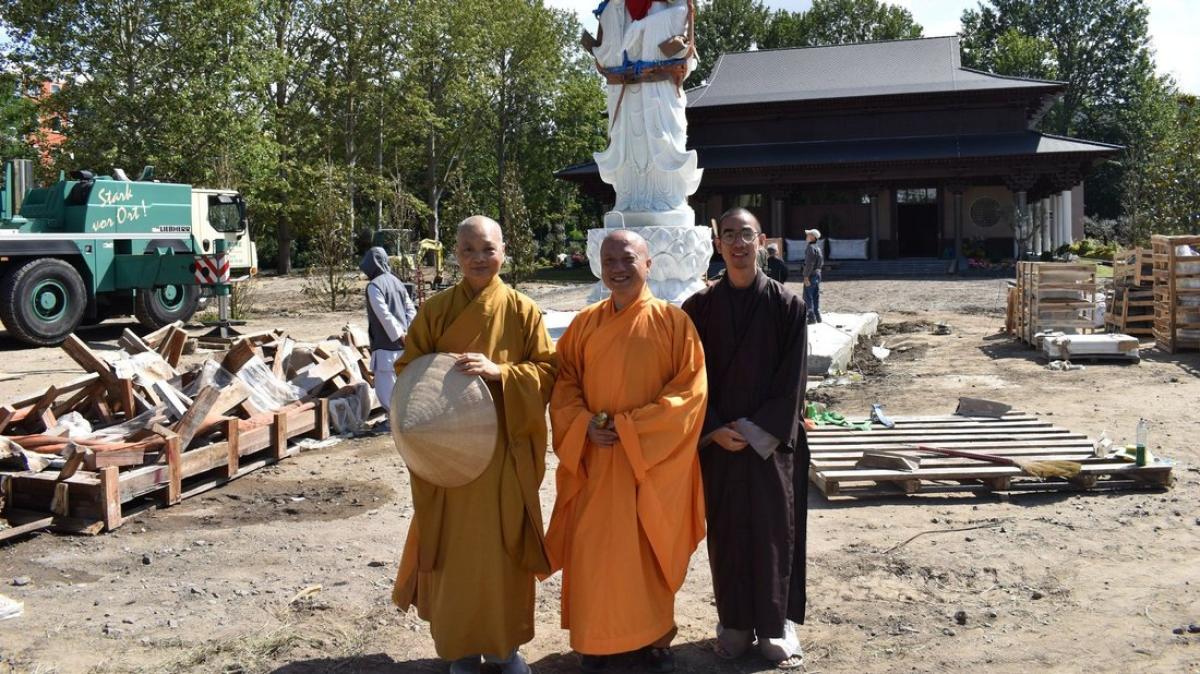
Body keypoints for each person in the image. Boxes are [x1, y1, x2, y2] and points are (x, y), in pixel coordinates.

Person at [391, 216, 557, 674]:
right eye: (468, 250)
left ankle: (505, 650)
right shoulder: (437, 310)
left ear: (504, 251)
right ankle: (461, 650)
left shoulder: (523, 310)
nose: (478, 259)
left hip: (503, 454)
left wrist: (501, 373)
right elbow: (408, 370)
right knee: (454, 556)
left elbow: (547, 373)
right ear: (455, 254)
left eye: (487, 249)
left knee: (503, 553)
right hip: (447, 463)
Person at [545, 229, 707, 673]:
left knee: (649, 549)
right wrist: (582, 427)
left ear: (648, 264)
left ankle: (653, 639)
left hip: (648, 466)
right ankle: (596, 642)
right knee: (596, 554)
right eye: (609, 260)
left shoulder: (675, 324)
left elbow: (689, 394)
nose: (617, 268)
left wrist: (633, 430)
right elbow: (565, 386)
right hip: (597, 461)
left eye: (627, 259)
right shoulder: (584, 324)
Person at [681, 208, 810, 671]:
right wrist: (713, 427)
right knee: (728, 534)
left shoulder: (787, 306)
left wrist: (757, 432)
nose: (738, 243)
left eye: (747, 235)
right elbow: (688, 379)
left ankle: (776, 626)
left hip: (771, 445)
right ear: (718, 244)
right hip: (719, 444)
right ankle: (733, 623)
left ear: (763, 243)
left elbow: (792, 381)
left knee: (776, 533)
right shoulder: (696, 309)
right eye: (729, 235)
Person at [359, 247, 417, 423]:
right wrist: (408, 333)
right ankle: (401, 420)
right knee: (403, 388)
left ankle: (395, 423)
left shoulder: (374, 286)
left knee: (387, 391)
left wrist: (398, 334)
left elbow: (383, 315)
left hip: (386, 347)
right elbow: (410, 309)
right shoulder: (397, 282)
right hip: (404, 346)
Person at [802, 228, 824, 324]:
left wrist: (806, 276)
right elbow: (821, 262)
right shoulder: (818, 248)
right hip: (818, 273)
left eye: (808, 235)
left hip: (811, 274)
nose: (806, 236)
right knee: (815, 295)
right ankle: (817, 315)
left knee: (808, 295)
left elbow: (809, 264)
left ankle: (811, 317)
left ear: (812, 237)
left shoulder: (810, 248)